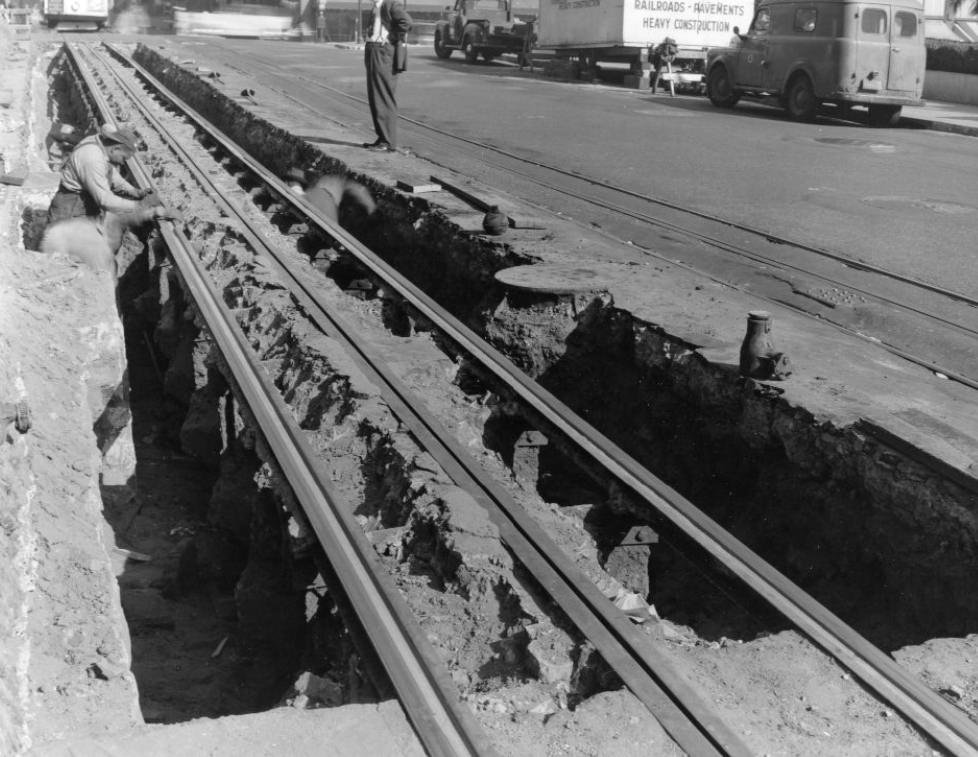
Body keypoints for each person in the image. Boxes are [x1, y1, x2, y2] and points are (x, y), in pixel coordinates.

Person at [47, 124, 176, 224]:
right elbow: (105, 200)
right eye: (124, 158)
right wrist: (140, 206)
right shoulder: (92, 157)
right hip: (70, 207)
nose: (122, 163)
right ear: (116, 149)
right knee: (59, 251)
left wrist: (134, 191)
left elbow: (111, 173)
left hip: (81, 201)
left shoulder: (101, 145)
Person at [362, 0, 412, 153]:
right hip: (373, 49)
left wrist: (391, 37)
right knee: (375, 96)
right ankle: (382, 137)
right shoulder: (377, 6)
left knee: (382, 95)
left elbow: (406, 22)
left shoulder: (390, 4)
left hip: (382, 51)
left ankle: (387, 141)